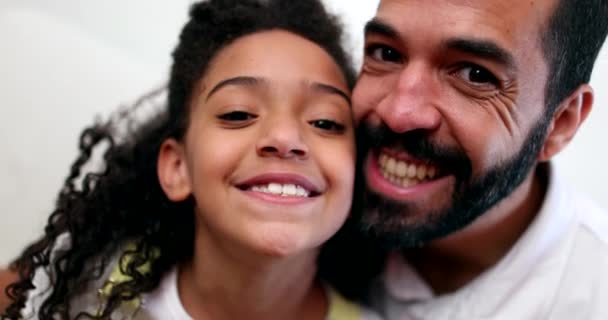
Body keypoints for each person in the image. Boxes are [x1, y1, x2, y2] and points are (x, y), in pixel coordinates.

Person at [1, 0, 382, 319]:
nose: (285, 138)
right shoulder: (79, 284)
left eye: (325, 122)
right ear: (177, 167)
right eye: (237, 114)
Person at [349, 0, 608, 319]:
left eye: (476, 75)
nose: (399, 114)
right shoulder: (307, 217)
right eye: (386, 53)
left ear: (560, 123)